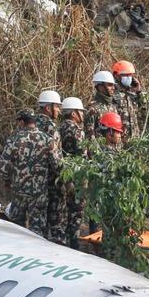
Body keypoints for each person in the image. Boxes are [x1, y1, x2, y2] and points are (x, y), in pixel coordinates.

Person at [0, 110, 59, 238]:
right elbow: (57, 165)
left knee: (16, 228)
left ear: (21, 122)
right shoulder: (48, 140)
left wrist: (7, 181)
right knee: (37, 230)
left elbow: (4, 166)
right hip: (39, 192)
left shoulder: (13, 140)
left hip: (18, 192)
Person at [53, 96, 86, 249]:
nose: (82, 115)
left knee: (63, 211)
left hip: (63, 175)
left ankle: (62, 241)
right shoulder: (76, 130)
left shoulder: (58, 128)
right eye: (80, 112)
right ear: (74, 113)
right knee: (76, 212)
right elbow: (82, 154)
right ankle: (74, 244)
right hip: (76, 176)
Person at [112, 60, 144, 139]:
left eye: (130, 75)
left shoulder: (133, 92)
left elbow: (144, 110)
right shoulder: (112, 92)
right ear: (116, 75)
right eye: (125, 74)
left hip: (135, 138)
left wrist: (139, 91)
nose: (128, 77)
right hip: (120, 139)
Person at [85, 71, 118, 140]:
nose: (113, 88)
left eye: (113, 85)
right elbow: (89, 134)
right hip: (101, 149)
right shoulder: (92, 108)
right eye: (110, 85)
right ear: (100, 87)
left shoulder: (113, 105)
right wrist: (98, 150)